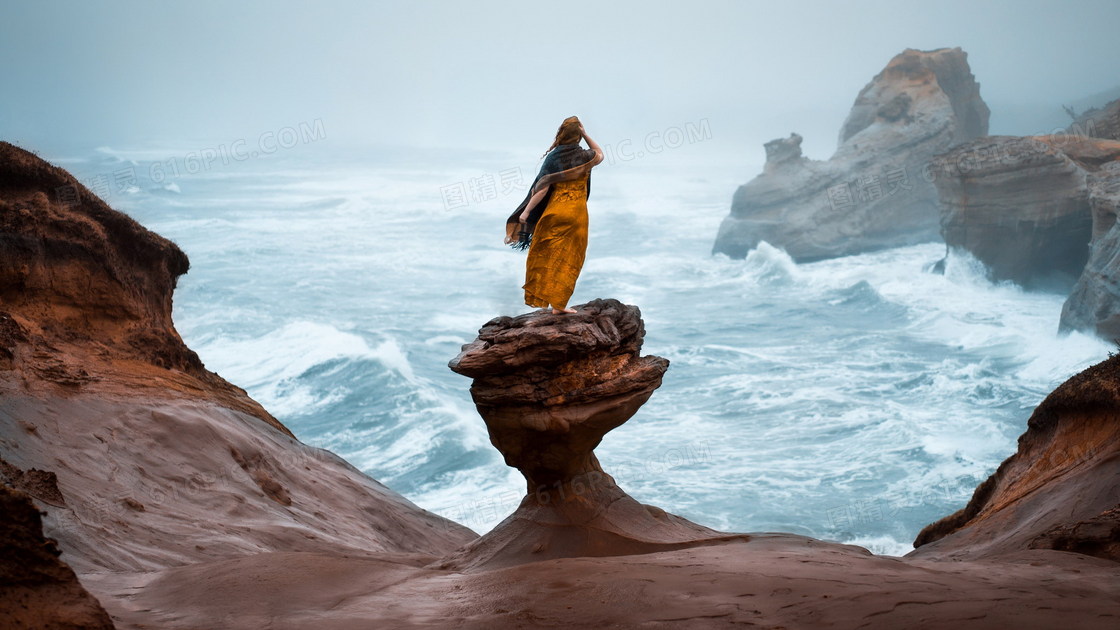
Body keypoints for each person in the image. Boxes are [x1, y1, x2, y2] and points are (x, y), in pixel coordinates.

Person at [504, 116, 604, 314]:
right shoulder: (586, 156)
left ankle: (544, 297)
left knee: (544, 254)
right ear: (578, 136)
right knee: (570, 256)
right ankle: (559, 304)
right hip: (577, 216)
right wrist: (585, 134)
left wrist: (526, 213)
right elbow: (600, 154)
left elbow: (541, 190)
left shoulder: (554, 157)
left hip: (555, 213)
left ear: (560, 134)